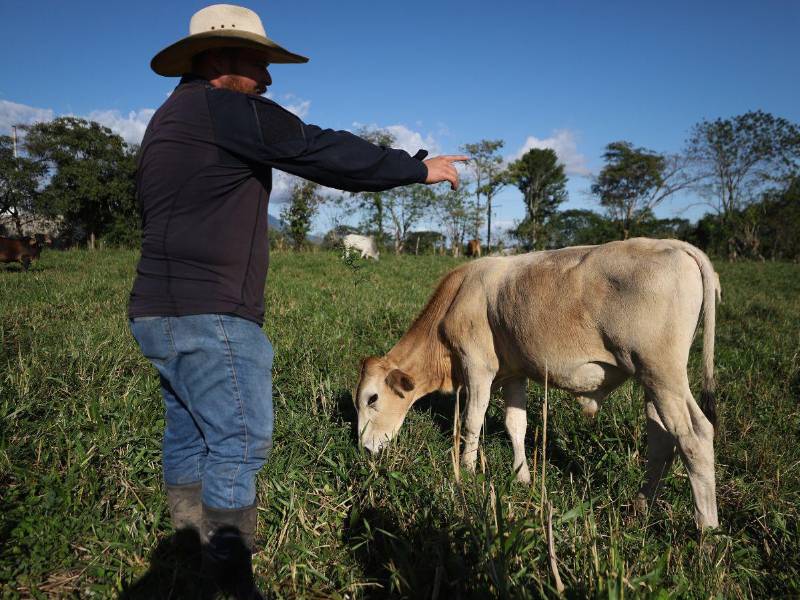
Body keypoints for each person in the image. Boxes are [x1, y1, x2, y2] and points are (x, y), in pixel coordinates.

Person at [128, 4, 467, 597]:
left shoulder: (166, 121)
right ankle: (230, 583)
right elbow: (317, 149)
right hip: (213, 316)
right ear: (221, 58)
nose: (268, 79)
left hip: (156, 312)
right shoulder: (225, 108)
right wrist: (416, 169)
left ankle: (188, 557)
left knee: (191, 438)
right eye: (259, 63)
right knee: (239, 442)